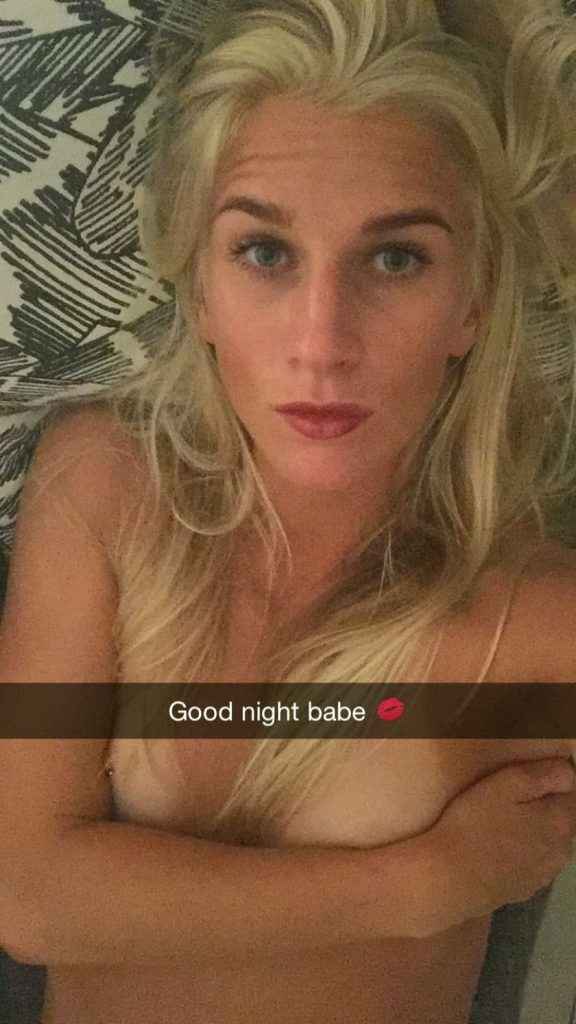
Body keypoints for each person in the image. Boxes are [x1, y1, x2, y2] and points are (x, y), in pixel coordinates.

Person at [1, 0, 576, 1021]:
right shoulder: (103, 490)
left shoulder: (529, 620)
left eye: (395, 258)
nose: (322, 343)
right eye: (265, 253)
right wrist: (421, 885)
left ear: (474, 302)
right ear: (199, 290)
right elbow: (32, 897)